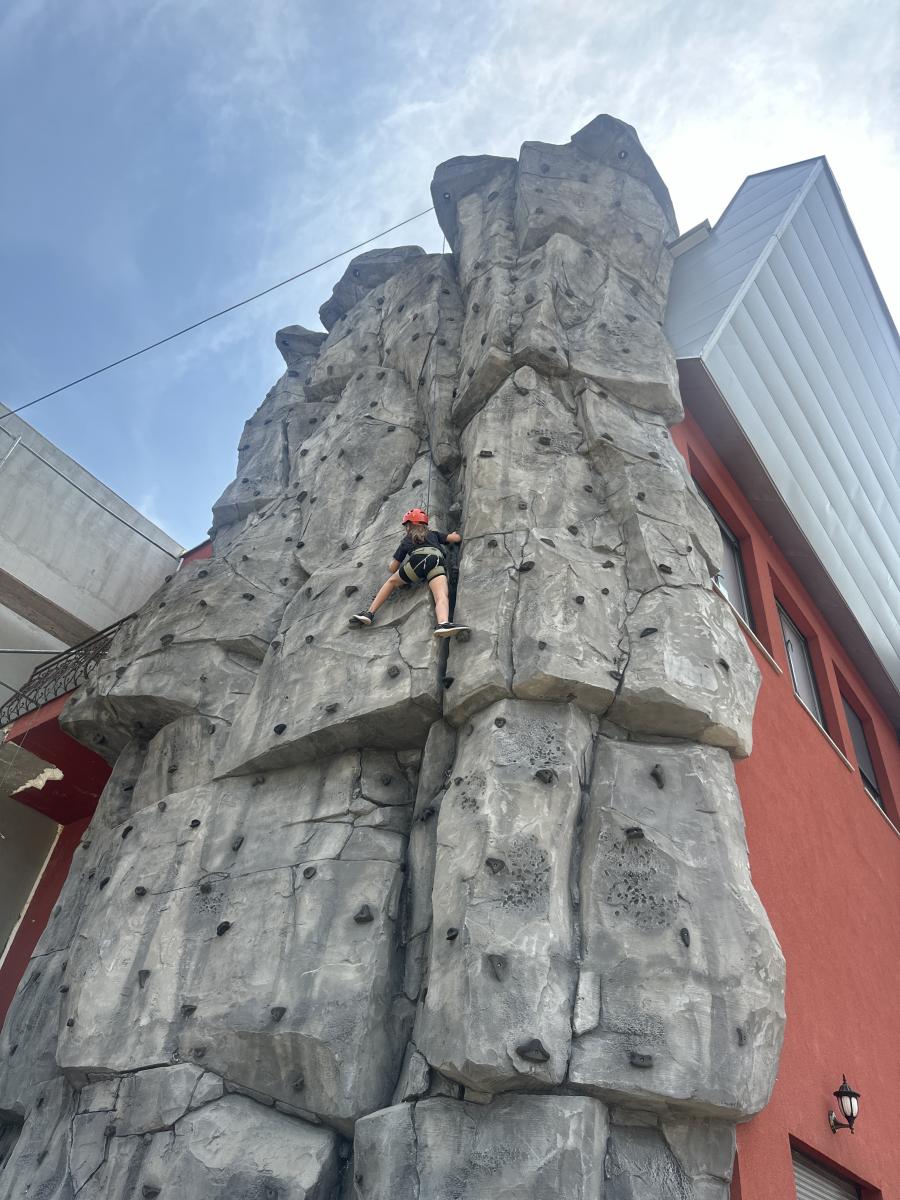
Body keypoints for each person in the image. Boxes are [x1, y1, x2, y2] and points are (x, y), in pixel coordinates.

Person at [349, 508, 467, 638]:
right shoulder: (434, 534)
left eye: (406, 525)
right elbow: (456, 538)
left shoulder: (407, 539)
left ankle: (369, 613)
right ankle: (443, 623)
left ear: (410, 525)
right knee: (441, 595)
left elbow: (393, 568)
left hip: (418, 561)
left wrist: (390, 565)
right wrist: (454, 534)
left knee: (391, 582)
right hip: (437, 561)